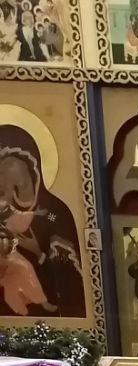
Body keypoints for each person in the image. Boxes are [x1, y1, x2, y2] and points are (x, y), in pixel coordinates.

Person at [0, 125, 85, 317]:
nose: (1, 173)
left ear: (29, 162)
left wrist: (38, 253)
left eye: (8, 164)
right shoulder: (3, 208)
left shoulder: (55, 212)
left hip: (47, 319)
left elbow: (69, 276)